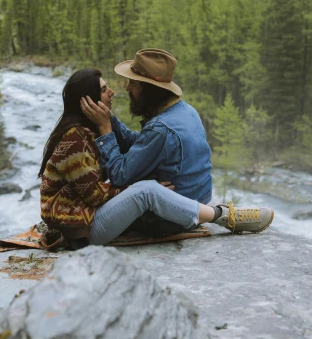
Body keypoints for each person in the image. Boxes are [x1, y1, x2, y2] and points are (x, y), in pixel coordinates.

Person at [80, 48, 274, 235]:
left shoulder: (161, 128)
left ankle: (222, 216)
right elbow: (142, 145)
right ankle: (221, 213)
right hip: (201, 198)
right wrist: (110, 119)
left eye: (133, 83)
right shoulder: (185, 110)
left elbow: (119, 175)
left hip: (171, 216)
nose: (127, 87)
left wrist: (106, 131)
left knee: (112, 202)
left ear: (149, 89)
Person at [39, 68, 230, 246]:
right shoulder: (75, 139)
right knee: (147, 190)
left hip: (86, 218)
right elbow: (96, 196)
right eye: (104, 89)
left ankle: (216, 214)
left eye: (132, 83)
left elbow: (138, 146)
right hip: (80, 227)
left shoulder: (92, 131)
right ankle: (221, 215)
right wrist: (135, 185)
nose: (115, 91)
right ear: (88, 101)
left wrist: (108, 123)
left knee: (147, 188)